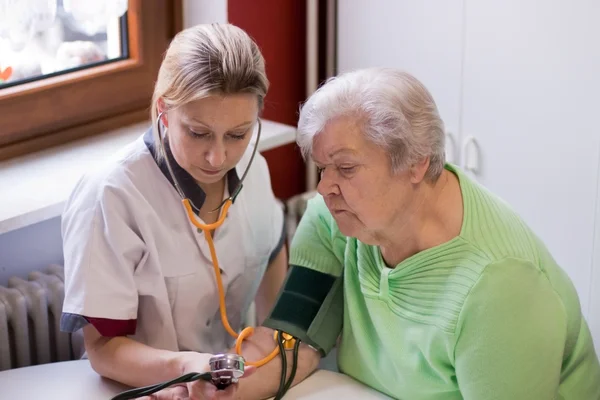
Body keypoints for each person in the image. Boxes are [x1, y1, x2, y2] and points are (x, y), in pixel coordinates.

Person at [281, 67, 600, 399]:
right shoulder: (335, 216)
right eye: (322, 167)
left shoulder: (498, 287)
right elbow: (290, 337)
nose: (323, 187)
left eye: (346, 168)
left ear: (417, 162)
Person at [59, 23, 296, 399]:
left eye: (238, 134)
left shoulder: (256, 168)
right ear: (164, 111)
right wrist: (184, 368)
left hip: (221, 386)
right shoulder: (110, 195)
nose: (218, 157)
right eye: (198, 132)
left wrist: (268, 349)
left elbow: (271, 252)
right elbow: (102, 350)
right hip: (143, 388)